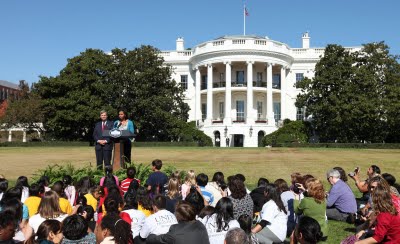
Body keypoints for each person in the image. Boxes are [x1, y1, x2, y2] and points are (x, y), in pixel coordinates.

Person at [355, 179, 400, 244]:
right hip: (393, 233)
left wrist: (357, 243)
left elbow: (378, 237)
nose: (371, 190)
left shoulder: (384, 212)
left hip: (393, 240)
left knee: (360, 235)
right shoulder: (393, 201)